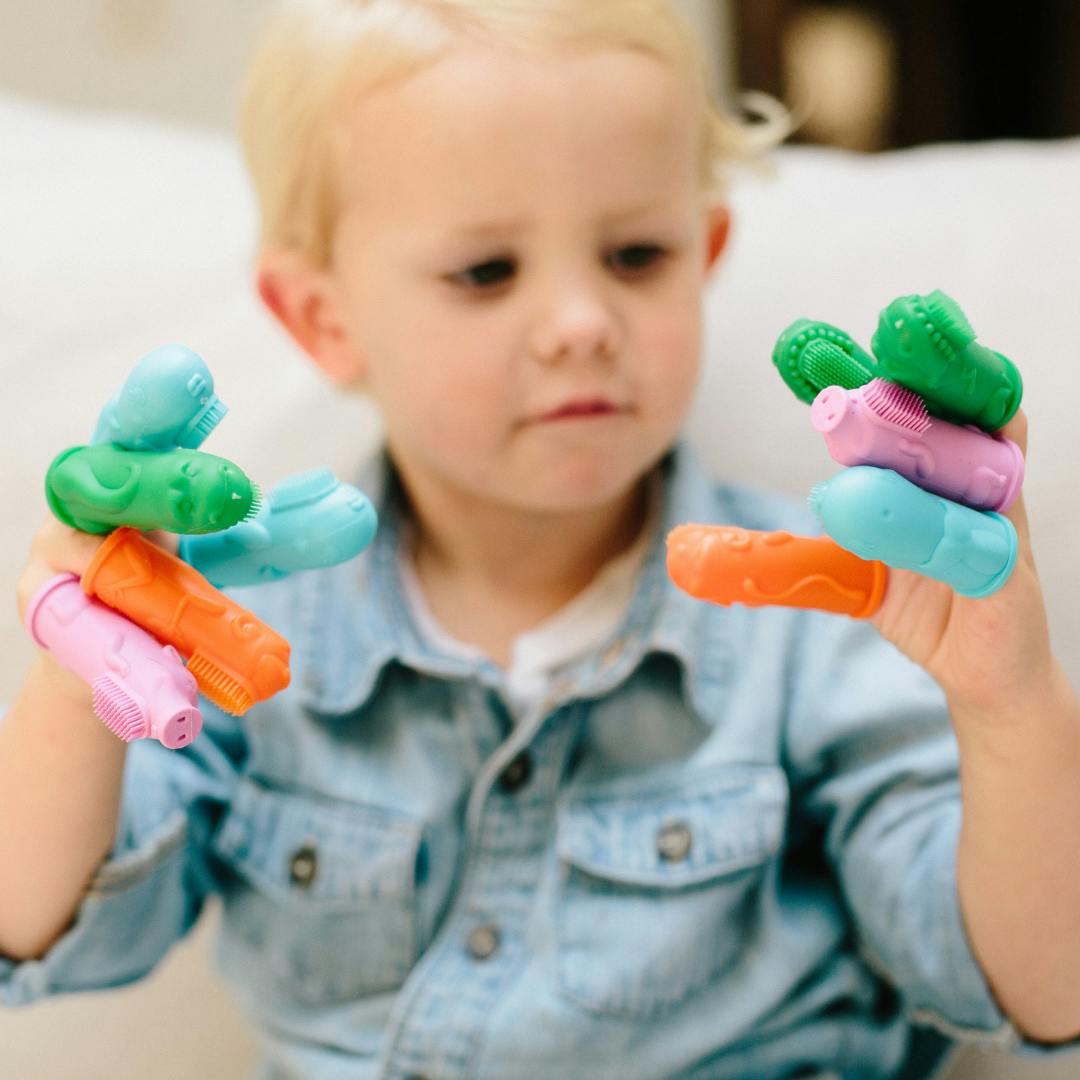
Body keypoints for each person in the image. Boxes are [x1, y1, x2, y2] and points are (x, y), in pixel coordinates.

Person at [3, 2, 1080, 1077]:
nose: (581, 320)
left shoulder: (834, 605)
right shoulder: (247, 627)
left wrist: (1009, 697)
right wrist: (81, 663)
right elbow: (36, 927)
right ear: (324, 321)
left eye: (635, 254)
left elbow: (1042, 987)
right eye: (487, 272)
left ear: (703, 256)